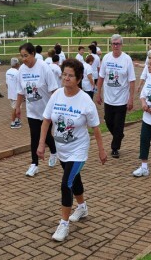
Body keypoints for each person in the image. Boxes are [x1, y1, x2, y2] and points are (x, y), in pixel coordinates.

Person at [37, 59, 107, 242]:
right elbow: (46, 121)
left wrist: (101, 150)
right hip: (62, 149)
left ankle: (64, 224)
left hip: (78, 149)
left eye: (70, 76)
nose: (66, 78)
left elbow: (96, 128)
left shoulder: (85, 100)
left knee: (65, 184)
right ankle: (82, 207)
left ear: (79, 79)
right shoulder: (56, 95)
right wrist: (41, 144)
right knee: (74, 180)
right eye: (64, 75)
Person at [15, 43, 59, 176]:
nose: (24, 59)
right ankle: (34, 164)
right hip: (32, 110)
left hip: (46, 110)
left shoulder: (44, 68)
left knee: (45, 135)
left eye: (26, 56)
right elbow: (20, 91)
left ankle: (54, 151)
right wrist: (17, 107)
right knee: (35, 136)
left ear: (33, 54)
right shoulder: (21, 70)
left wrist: (56, 109)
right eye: (22, 56)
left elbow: (54, 90)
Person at [96, 34, 136, 158]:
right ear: (111, 45)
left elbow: (132, 80)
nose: (115, 46)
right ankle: (118, 135)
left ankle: (115, 148)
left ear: (121, 45)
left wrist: (131, 98)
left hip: (122, 99)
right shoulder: (107, 58)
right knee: (108, 122)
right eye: (113, 43)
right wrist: (98, 93)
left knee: (118, 124)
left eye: (118, 43)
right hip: (108, 98)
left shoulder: (127, 59)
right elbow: (101, 77)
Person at [6, 57, 22, 129]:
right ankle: (12, 122)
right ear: (16, 64)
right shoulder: (17, 73)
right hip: (16, 94)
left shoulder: (8, 71)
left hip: (10, 93)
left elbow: (7, 84)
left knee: (15, 107)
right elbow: (20, 84)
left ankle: (16, 120)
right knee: (15, 108)